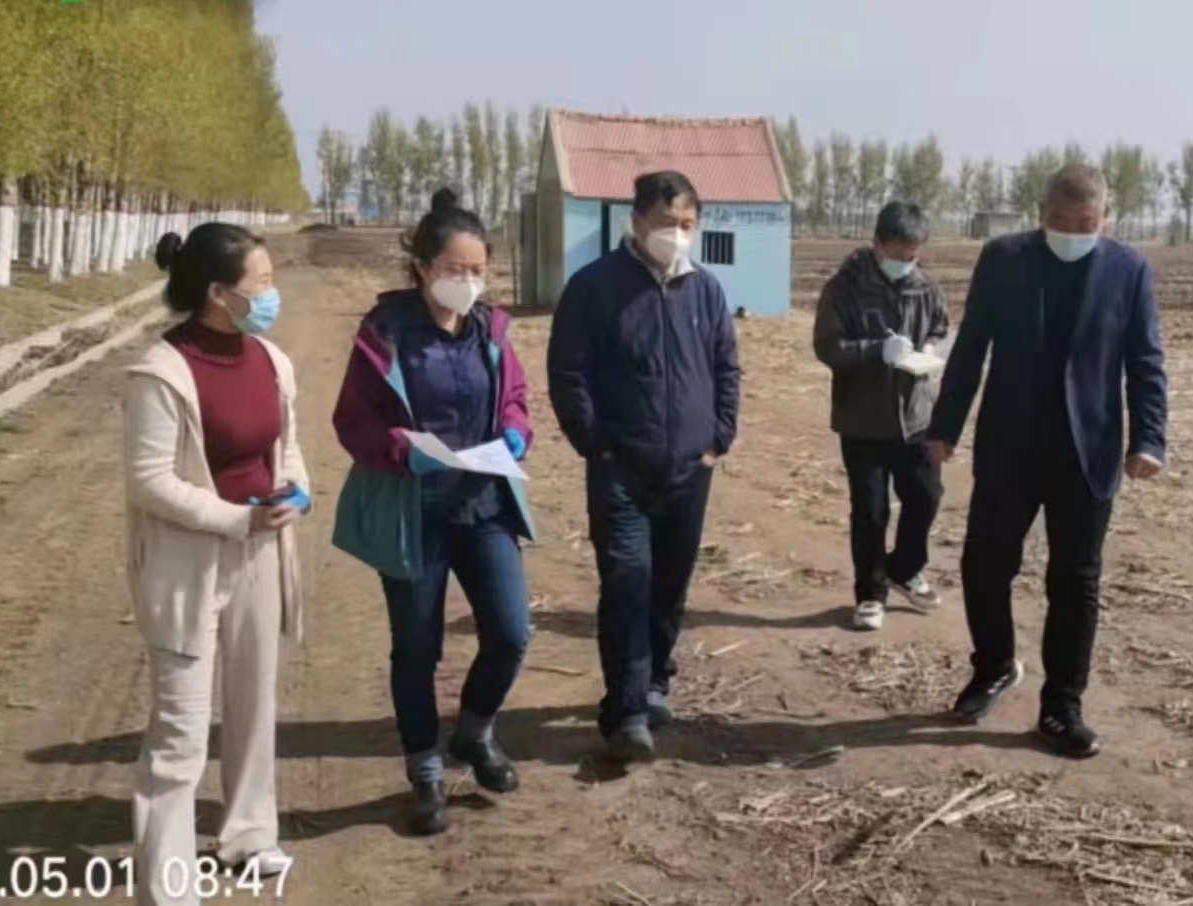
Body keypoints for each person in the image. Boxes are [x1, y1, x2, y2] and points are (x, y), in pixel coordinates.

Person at [928, 163, 1168, 758]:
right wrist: (945, 428)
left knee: (1075, 581)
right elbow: (971, 348)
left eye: (1084, 223)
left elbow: (1144, 361)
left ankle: (1062, 706)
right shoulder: (1003, 259)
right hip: (1010, 447)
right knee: (985, 566)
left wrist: (1149, 439)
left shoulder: (1129, 271)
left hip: (1086, 453)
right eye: (1059, 220)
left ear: (1106, 219)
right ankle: (993, 667)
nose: (1071, 232)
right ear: (1040, 214)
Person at [331, 189, 537, 836]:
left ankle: (474, 731)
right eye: (454, 268)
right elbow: (352, 421)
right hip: (413, 509)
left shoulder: (490, 332)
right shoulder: (385, 335)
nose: (467, 282)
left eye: (477, 270)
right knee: (418, 647)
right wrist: (400, 450)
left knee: (511, 631)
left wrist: (515, 433)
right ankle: (424, 771)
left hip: (482, 504)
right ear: (422, 267)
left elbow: (516, 398)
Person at [124, 224, 308, 904]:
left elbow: (285, 446)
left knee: (254, 705)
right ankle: (168, 881)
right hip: (188, 564)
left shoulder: (271, 361)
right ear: (217, 293)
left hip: (261, 552)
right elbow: (148, 480)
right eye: (261, 283)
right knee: (180, 732)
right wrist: (235, 518)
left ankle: (249, 835)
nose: (271, 293)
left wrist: (296, 490)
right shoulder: (161, 371)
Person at [547, 170, 741, 762]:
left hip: (689, 470)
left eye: (687, 223)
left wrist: (718, 439)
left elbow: (726, 367)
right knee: (628, 583)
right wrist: (598, 446)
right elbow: (568, 374)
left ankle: (655, 681)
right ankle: (627, 711)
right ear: (635, 222)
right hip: (622, 471)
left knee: (670, 585)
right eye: (664, 222)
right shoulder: (594, 287)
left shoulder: (705, 290)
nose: (676, 234)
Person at [814, 201, 950, 631]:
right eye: (898, 253)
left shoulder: (926, 288)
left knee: (926, 496)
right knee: (871, 512)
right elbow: (827, 346)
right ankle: (870, 593)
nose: (906, 262)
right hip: (863, 420)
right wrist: (876, 351)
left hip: (917, 419)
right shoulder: (845, 288)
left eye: (913, 254)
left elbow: (940, 326)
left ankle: (904, 568)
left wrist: (931, 348)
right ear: (877, 244)